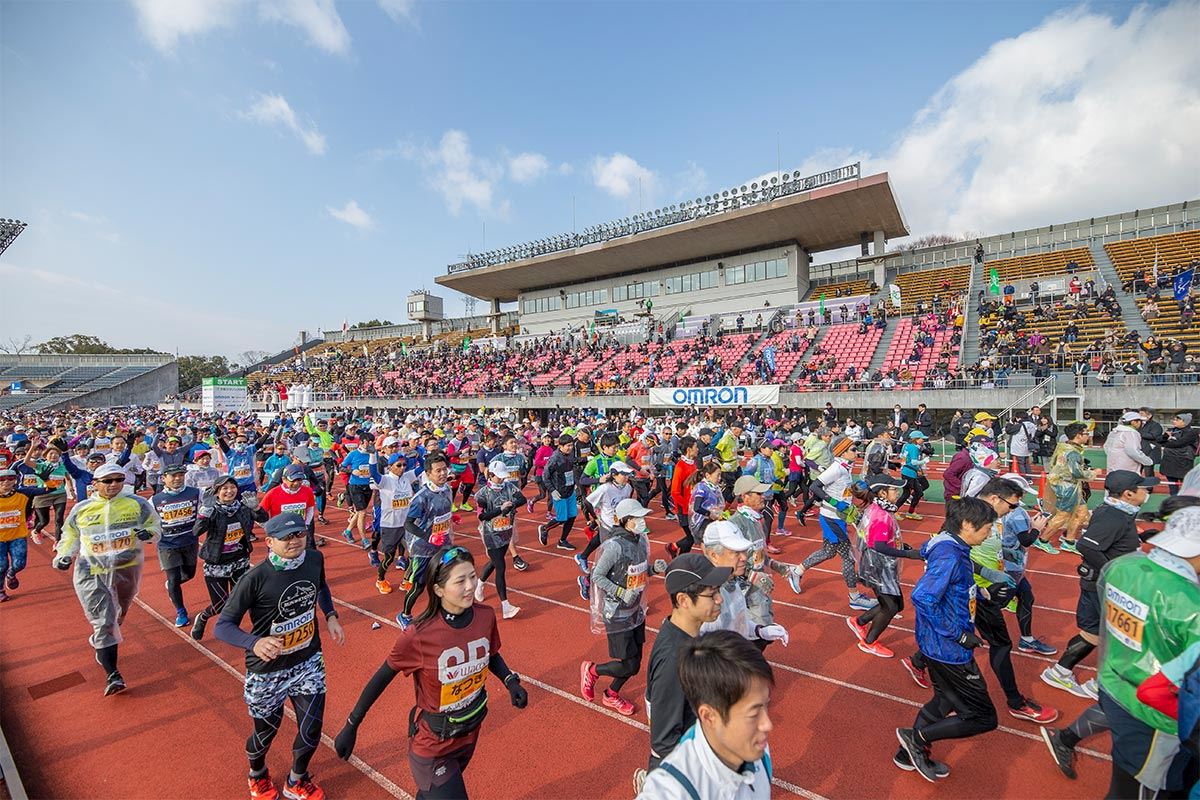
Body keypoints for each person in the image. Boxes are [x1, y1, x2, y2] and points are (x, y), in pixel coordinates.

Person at [333, 546, 528, 800]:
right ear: (438, 589)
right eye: (460, 581)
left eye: (472, 576)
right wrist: (352, 724)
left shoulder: (485, 616)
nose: (470, 586)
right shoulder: (419, 634)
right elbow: (382, 677)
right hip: (434, 744)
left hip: (470, 731)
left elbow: (490, 654)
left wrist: (510, 680)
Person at [214, 513, 345, 800]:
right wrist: (254, 642)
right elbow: (222, 627)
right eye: (285, 537)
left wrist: (331, 615)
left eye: (299, 534)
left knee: (312, 729)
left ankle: (296, 780)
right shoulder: (254, 578)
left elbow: (321, 586)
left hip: (308, 661)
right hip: (267, 671)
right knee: (265, 734)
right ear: (269, 542)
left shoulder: (314, 559)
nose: (294, 541)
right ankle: (257, 773)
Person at [1095, 506, 1200, 799]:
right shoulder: (1190, 604)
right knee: (1145, 789)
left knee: (1124, 779)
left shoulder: (1121, 567)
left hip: (1114, 685)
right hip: (1158, 714)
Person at [895, 497, 1000, 783]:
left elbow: (951, 583)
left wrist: (979, 592)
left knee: (943, 700)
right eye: (987, 528)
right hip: (948, 649)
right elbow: (923, 597)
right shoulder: (951, 555)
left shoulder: (950, 545)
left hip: (936, 644)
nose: (989, 534)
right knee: (984, 718)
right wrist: (960, 634)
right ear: (967, 525)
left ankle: (907, 754)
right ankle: (916, 738)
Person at [1042, 470, 1158, 700]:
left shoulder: (1117, 511)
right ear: (1128, 494)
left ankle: (1059, 671)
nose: (1147, 492)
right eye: (1143, 488)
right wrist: (1111, 574)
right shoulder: (1113, 515)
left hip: (1098, 583)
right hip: (1103, 586)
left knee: (1093, 633)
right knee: (1121, 635)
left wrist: (1137, 539)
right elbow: (1088, 545)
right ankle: (1103, 683)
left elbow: (1109, 540)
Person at [52, 463, 163, 696]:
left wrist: (149, 534)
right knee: (104, 621)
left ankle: (103, 638)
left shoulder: (137, 503)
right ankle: (113, 674)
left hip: (127, 567)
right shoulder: (82, 508)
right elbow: (70, 534)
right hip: (90, 570)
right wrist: (64, 555)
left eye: (118, 480)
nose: (114, 485)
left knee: (119, 614)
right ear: (95, 484)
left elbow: (154, 525)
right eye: (108, 481)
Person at [636, 630, 774, 800]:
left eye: (766, 705)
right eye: (753, 713)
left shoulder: (759, 753)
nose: (767, 725)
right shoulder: (670, 791)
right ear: (708, 716)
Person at [639, 553, 729, 792]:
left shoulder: (686, 636)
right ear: (683, 600)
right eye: (712, 594)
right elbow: (664, 741)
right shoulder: (675, 659)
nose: (720, 599)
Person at [581, 498, 655, 717]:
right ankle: (592, 671)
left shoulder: (641, 541)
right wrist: (621, 592)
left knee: (635, 662)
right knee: (629, 665)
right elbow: (597, 576)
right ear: (625, 521)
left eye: (643, 517)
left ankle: (611, 694)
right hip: (617, 612)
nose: (642, 521)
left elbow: (635, 572)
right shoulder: (613, 546)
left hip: (636, 610)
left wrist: (652, 570)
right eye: (638, 518)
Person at [791, 437, 877, 610]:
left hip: (839, 517)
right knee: (848, 556)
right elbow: (815, 487)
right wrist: (835, 503)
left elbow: (842, 490)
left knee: (829, 552)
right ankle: (854, 597)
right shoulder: (836, 468)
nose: (856, 452)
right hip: (831, 517)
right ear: (842, 452)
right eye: (853, 449)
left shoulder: (845, 468)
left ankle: (797, 571)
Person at [847, 474, 919, 658]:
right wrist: (907, 553)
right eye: (894, 489)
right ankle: (869, 642)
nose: (898, 492)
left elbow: (881, 539)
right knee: (891, 607)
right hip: (878, 565)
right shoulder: (881, 515)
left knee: (896, 604)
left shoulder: (879, 509)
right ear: (883, 493)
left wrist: (902, 546)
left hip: (877, 563)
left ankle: (859, 621)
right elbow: (878, 545)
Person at [191, 475, 269, 641]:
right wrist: (205, 511)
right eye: (224, 488)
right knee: (221, 605)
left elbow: (264, 519)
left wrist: (256, 508)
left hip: (240, 560)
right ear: (217, 492)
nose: (229, 491)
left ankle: (258, 632)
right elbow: (197, 531)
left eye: (232, 487)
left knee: (244, 599)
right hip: (216, 563)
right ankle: (203, 617)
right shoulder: (212, 510)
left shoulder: (243, 507)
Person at [397, 453, 457, 629]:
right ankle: (404, 614)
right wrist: (428, 536)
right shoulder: (421, 497)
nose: (442, 473)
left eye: (444, 469)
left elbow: (442, 513)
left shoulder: (446, 489)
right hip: (422, 549)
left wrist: (453, 518)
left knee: (443, 581)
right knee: (419, 585)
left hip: (443, 544)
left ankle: (440, 612)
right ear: (428, 474)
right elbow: (408, 524)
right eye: (438, 471)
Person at [149, 464, 203, 627]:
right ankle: (181, 611)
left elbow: (204, 510)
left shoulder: (195, 493)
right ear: (164, 478)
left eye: (180, 475)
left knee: (189, 574)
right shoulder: (155, 500)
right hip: (167, 545)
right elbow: (147, 521)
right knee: (173, 579)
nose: (178, 478)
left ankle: (173, 584)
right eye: (173, 476)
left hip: (190, 541)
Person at [473, 460, 522, 619]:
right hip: (490, 534)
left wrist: (511, 504)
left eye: (503, 476)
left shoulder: (508, 486)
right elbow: (482, 516)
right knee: (501, 567)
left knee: (496, 562)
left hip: (505, 531)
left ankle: (479, 585)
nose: (502, 479)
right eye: (499, 477)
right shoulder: (482, 494)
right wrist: (500, 509)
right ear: (491, 475)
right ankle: (506, 606)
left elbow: (522, 499)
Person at [1040, 422, 1098, 554]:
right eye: (1086, 433)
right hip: (1066, 487)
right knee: (1062, 515)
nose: (1088, 436)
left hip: (1070, 486)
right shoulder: (1072, 452)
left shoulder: (1065, 446)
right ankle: (1043, 540)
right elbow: (1076, 472)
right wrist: (1093, 473)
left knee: (1081, 514)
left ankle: (1069, 540)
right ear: (1078, 435)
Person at [0, 460, 51, 602]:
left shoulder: (24, 493)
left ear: (15, 480)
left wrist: (45, 479)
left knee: (19, 564)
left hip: (18, 536)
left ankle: (11, 574)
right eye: (2, 479)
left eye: (10, 478)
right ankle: (0, 590)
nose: (6, 482)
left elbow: (50, 489)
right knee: (1, 565)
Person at [371, 452, 419, 595]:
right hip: (390, 525)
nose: (402, 468)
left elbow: (423, 467)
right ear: (390, 466)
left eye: (404, 465)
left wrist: (419, 455)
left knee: (414, 554)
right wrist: (372, 455)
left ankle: (406, 580)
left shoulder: (408, 477)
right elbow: (373, 472)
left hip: (407, 524)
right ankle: (380, 580)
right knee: (389, 557)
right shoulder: (385, 480)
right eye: (399, 465)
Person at [538, 434, 579, 552]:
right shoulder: (554, 458)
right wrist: (552, 490)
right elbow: (545, 476)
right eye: (568, 446)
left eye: (571, 445)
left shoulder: (570, 454)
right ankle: (545, 528)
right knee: (562, 518)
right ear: (560, 446)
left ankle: (562, 540)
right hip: (559, 492)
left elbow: (573, 463)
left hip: (570, 490)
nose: (570, 448)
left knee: (572, 516)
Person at [1162, 413, 1198, 495]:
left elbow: (1181, 445)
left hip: (1183, 462)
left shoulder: (1191, 433)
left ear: (1185, 422)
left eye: (1177, 420)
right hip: (1169, 462)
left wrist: (1170, 441)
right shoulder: (1171, 430)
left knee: (1186, 487)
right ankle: (1174, 503)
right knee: (1172, 487)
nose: (1174, 421)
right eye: (1174, 419)